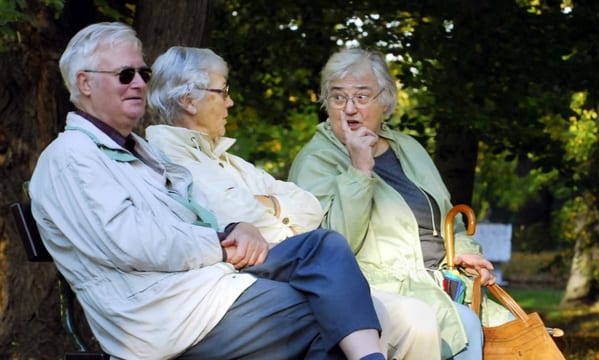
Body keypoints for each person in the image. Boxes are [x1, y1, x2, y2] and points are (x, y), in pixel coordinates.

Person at [28, 22, 386, 360]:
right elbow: (131, 243)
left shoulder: (137, 151)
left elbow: (190, 215)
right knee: (325, 313)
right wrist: (221, 244)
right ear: (85, 83)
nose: (138, 83)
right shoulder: (72, 158)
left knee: (323, 247)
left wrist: (234, 230)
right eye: (125, 74)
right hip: (160, 317)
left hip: (201, 286)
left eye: (143, 74)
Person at [145, 45, 442, 360]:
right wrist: (356, 174)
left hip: (299, 270)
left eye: (361, 96)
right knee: (403, 315)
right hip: (250, 283)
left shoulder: (227, 160)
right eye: (222, 91)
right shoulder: (170, 158)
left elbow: (307, 207)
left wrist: (267, 205)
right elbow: (245, 219)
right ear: (189, 101)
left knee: (410, 319)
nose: (230, 101)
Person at [289, 48, 513, 360]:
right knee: (464, 328)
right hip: (384, 294)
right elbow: (333, 246)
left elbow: (450, 219)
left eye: (362, 96)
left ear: (385, 100)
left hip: (449, 284)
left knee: (518, 336)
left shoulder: (408, 147)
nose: (350, 108)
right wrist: (359, 170)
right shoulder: (316, 161)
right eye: (338, 97)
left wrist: (466, 252)